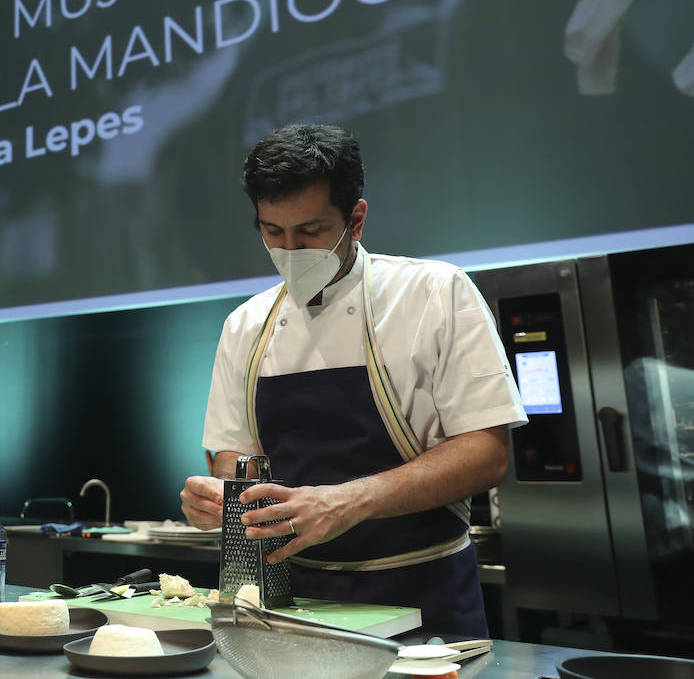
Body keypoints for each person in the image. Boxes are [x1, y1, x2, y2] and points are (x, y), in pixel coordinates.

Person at [179, 123, 526, 637]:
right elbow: (234, 453)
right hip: (288, 605)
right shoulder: (245, 324)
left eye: (312, 232)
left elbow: (485, 452)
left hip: (422, 600)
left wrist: (345, 502)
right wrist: (225, 498)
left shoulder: (435, 293)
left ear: (356, 220)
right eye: (273, 233)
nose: (290, 251)